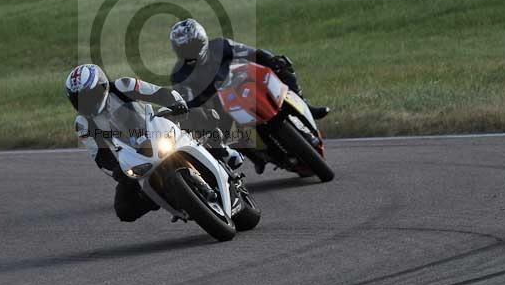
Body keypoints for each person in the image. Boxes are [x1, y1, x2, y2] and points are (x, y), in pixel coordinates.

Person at [65, 63, 240, 223]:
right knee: (124, 209)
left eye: (89, 95)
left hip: (155, 127)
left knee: (202, 115)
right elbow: (101, 157)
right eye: (79, 99)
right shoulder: (83, 123)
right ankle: (160, 196)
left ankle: (222, 151)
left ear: (102, 85)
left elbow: (158, 92)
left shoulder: (123, 85)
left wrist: (176, 103)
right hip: (132, 154)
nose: (86, 102)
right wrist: (118, 172)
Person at [169, 19, 330, 172]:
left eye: (193, 46)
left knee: (282, 64)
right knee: (217, 132)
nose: (190, 51)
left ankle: (306, 105)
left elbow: (252, 53)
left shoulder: (220, 45)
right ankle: (255, 157)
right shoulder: (179, 74)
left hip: (242, 86)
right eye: (185, 49)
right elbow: (187, 102)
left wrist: (272, 60)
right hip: (218, 109)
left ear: (202, 40)